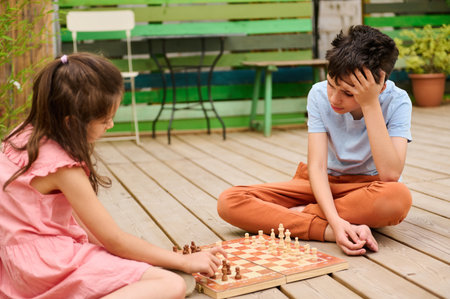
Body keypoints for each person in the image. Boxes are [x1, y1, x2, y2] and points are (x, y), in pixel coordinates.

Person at [0, 53, 226, 299]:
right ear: (71, 122)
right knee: (171, 284)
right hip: (45, 267)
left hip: (11, 264)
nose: (111, 125)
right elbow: (114, 240)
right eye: (105, 119)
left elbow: (90, 228)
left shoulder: (19, 137)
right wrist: (185, 262)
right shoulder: (63, 168)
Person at [217, 25, 412, 256]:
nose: (334, 98)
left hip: (368, 188)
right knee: (230, 200)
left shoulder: (397, 101)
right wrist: (334, 225)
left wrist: (370, 103)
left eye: (349, 93)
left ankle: (297, 214)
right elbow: (317, 168)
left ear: (379, 86)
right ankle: (325, 228)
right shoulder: (318, 95)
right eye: (331, 84)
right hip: (319, 183)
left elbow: (390, 174)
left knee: (397, 198)